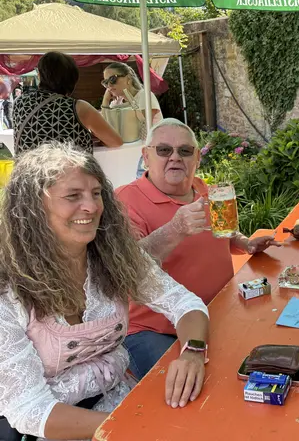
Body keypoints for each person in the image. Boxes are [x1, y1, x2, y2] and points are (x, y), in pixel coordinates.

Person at [0, 143, 210, 441]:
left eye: (96, 193)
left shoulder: (113, 256)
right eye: (73, 196)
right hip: (56, 430)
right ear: (32, 208)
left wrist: (193, 352)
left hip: (122, 401)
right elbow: (31, 410)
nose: (92, 206)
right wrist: (133, 425)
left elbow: (184, 303)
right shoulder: (8, 292)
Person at [116, 118, 280, 380]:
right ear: (146, 157)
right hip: (155, 329)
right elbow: (127, 266)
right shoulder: (125, 200)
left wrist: (244, 242)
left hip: (217, 313)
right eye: (164, 150)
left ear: (197, 159)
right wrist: (174, 229)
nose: (175, 157)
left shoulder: (203, 189)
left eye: (184, 150)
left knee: (261, 363)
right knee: (183, 389)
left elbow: (221, 231)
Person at [12, 52, 123, 155]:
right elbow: (115, 142)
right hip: (68, 170)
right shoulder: (79, 108)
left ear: (40, 76)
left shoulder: (19, 103)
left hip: (29, 169)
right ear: (73, 80)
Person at [101, 61, 164, 177]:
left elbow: (140, 123)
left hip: (149, 157)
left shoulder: (145, 96)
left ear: (128, 79)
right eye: (105, 82)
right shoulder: (117, 103)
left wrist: (127, 96)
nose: (109, 85)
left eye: (112, 79)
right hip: (129, 157)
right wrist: (105, 101)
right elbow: (104, 126)